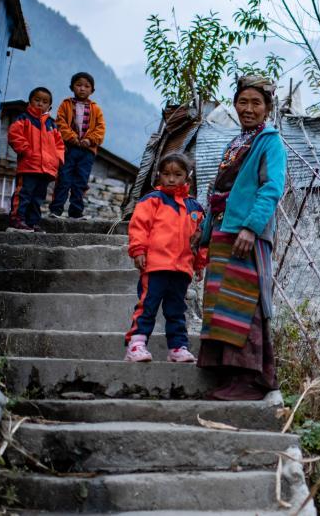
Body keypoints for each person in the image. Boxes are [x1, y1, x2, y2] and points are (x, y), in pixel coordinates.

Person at [197, 74, 287, 401]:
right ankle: (225, 374)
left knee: (243, 302)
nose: (248, 109)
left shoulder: (270, 142)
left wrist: (251, 227)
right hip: (224, 231)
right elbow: (220, 191)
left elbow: (272, 187)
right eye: (243, 102)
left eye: (256, 103)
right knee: (223, 302)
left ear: (267, 108)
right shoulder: (237, 141)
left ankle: (249, 380)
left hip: (246, 235)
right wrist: (205, 231)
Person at [125, 152, 206, 363]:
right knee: (148, 306)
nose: (171, 179)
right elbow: (139, 228)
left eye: (177, 174)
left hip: (181, 270)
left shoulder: (196, 209)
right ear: (159, 175)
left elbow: (200, 240)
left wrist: (199, 263)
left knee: (177, 310)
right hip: (155, 267)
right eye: (166, 174)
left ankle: (178, 348)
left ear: (187, 177)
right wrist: (138, 251)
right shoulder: (151, 200)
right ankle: (136, 344)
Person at [8, 87, 65, 232]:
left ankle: (32, 222)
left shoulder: (52, 125)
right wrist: (26, 150)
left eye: (44, 102)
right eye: (37, 100)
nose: (40, 104)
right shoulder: (24, 118)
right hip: (29, 166)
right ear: (30, 101)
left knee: (38, 198)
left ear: (49, 106)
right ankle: (17, 219)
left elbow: (60, 146)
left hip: (46, 170)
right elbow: (14, 134)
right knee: (24, 194)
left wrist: (57, 160)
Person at [49, 72, 105, 219]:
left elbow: (100, 128)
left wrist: (90, 140)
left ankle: (75, 212)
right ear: (72, 87)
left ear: (92, 90)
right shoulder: (66, 104)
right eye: (79, 85)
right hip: (69, 149)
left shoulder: (96, 109)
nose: (82, 89)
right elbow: (60, 123)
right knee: (64, 179)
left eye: (87, 86)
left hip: (87, 152)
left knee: (80, 181)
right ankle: (56, 210)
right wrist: (72, 138)